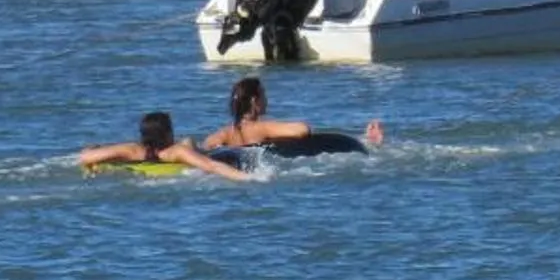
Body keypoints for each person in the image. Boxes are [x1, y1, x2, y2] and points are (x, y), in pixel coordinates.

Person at [202, 75, 384, 151]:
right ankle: (371, 142)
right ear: (254, 101)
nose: (267, 100)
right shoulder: (262, 128)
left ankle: (368, 139)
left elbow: (207, 145)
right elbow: (302, 130)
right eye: (264, 95)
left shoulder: (224, 133)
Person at [79, 111, 251, 180]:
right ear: (167, 133)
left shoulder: (132, 149)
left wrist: (93, 162)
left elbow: (84, 157)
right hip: (177, 167)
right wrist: (246, 178)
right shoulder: (176, 151)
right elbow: (210, 165)